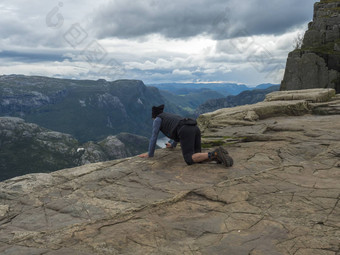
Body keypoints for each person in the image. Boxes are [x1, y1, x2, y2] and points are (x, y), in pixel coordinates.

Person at [138, 104, 233, 167]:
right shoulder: (168, 116)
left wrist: (150, 154)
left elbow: (154, 136)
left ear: (154, 116)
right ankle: (217, 156)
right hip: (195, 128)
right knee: (197, 158)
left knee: (189, 158)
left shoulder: (157, 119)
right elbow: (177, 128)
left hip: (185, 130)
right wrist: (173, 145)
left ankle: (215, 153)